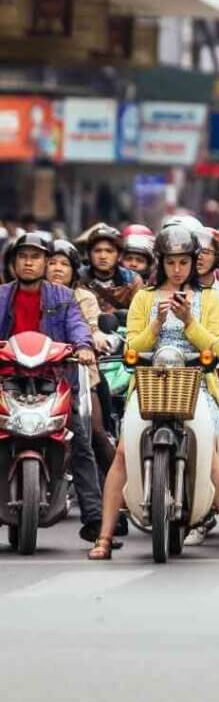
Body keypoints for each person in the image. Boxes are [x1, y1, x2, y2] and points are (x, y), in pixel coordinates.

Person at [87, 225, 219, 560]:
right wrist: (155, 326)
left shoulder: (208, 299)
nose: (177, 269)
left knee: (210, 457)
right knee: (121, 453)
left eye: (183, 262)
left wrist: (189, 321)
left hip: (196, 385)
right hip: (149, 384)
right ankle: (104, 538)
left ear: (194, 263)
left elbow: (218, 350)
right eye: (170, 262)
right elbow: (131, 348)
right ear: (160, 263)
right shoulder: (144, 298)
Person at [0, 232, 105, 542]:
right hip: (6, 382)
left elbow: (77, 327)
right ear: (14, 262)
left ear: (45, 263)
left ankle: (95, 520)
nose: (29, 262)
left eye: (35, 257)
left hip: (53, 381)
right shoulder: (2, 296)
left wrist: (83, 347)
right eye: (23, 257)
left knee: (81, 442)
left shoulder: (63, 297)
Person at [46, 239, 118, 477]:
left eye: (64, 264)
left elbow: (92, 326)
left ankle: (116, 493)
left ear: (74, 270)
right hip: (38, 374)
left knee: (95, 433)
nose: (57, 268)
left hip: (80, 374)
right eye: (52, 262)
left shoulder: (83, 297)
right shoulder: (32, 294)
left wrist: (94, 339)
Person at [79, 224, 143, 312]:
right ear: (89, 254)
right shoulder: (78, 278)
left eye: (109, 251)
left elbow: (139, 316)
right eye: (97, 251)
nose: (103, 256)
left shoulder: (132, 281)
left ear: (119, 255)